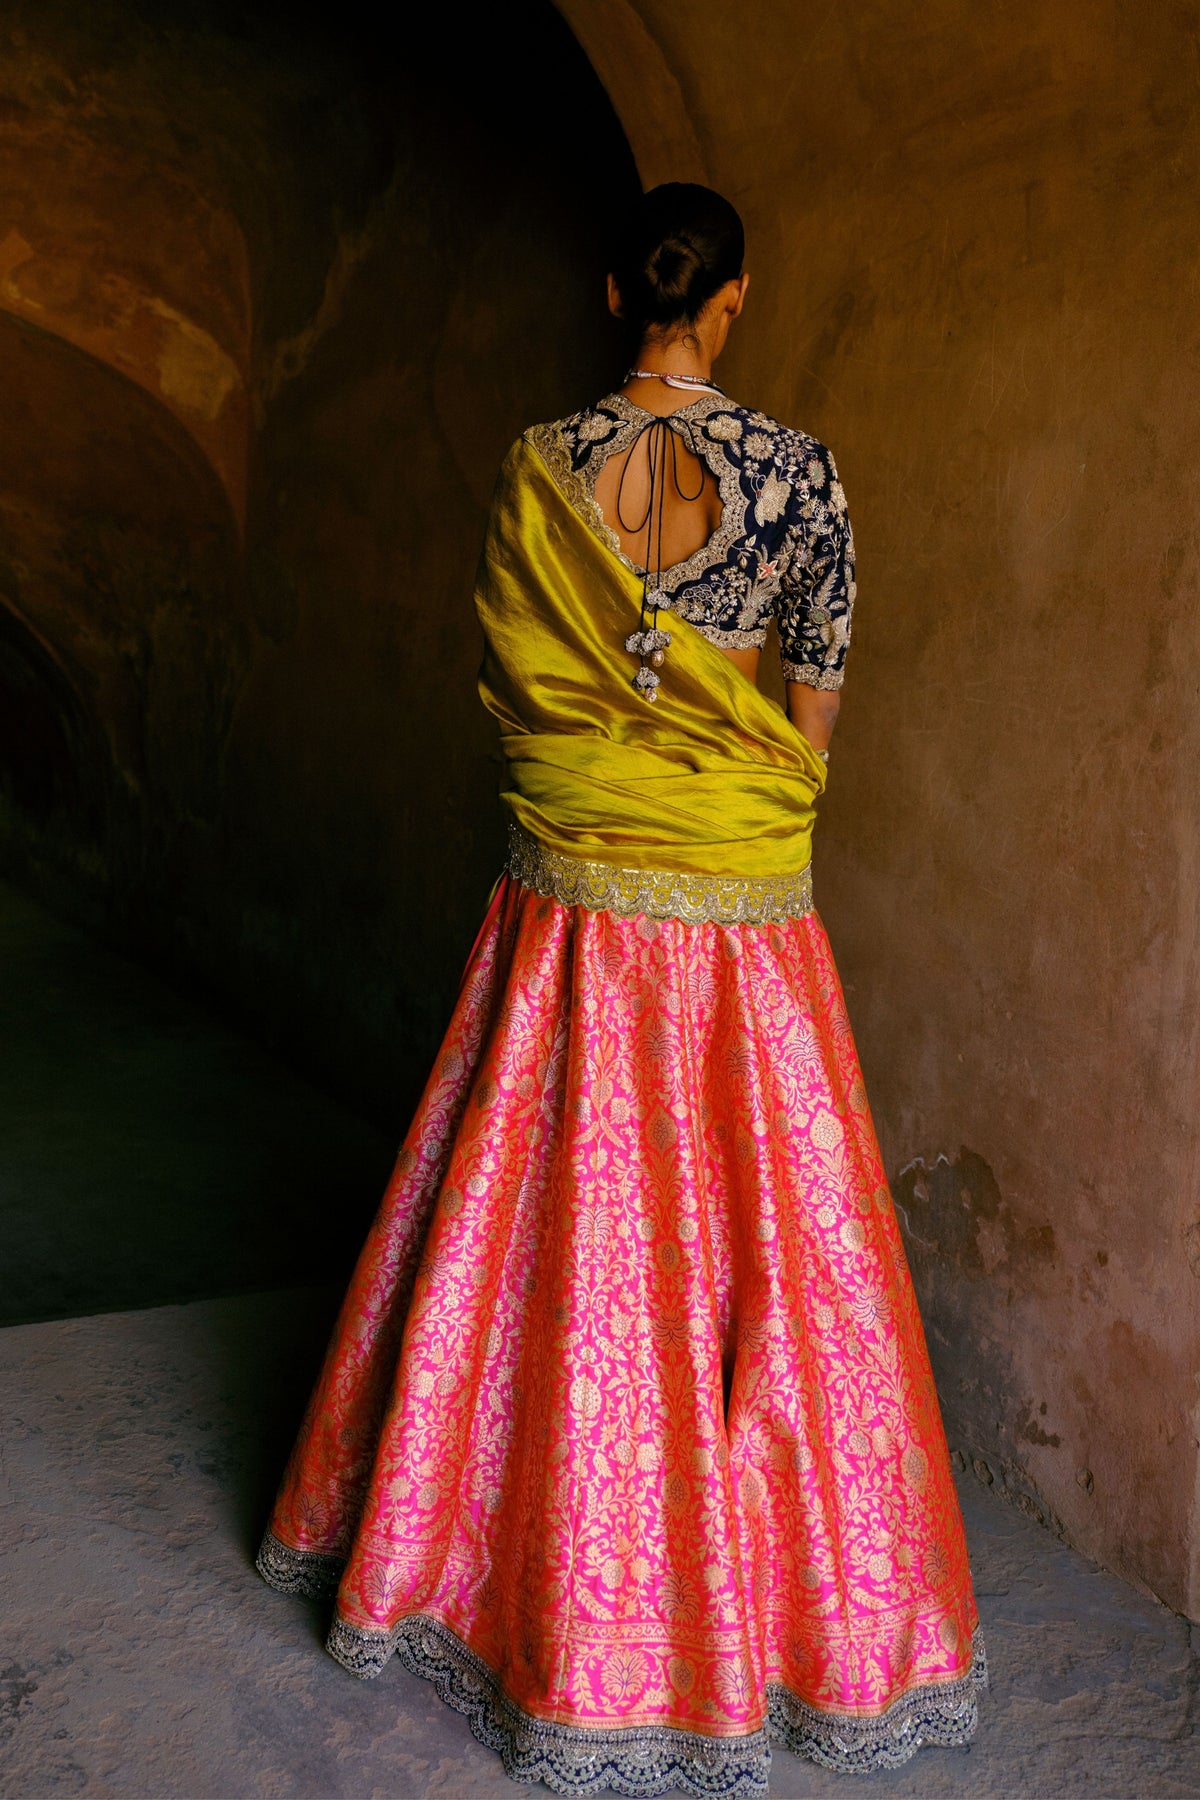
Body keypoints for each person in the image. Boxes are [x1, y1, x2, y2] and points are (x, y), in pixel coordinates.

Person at [257, 183, 984, 1795]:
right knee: (760, 1227)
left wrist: (615, 788)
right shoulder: (798, 474)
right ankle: (770, 1605)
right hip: (737, 903)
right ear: (730, 302)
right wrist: (724, 805)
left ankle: (497, 1566)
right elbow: (811, 715)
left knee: (546, 1205)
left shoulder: (537, 466)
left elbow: (524, 684)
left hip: (576, 886)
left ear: (614, 293)